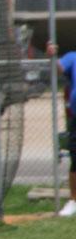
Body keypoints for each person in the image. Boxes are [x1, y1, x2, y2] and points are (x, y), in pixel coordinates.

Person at [46, 41, 76, 217]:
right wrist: (52, 57)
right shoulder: (73, 57)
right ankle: (74, 201)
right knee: (75, 159)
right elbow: (58, 69)